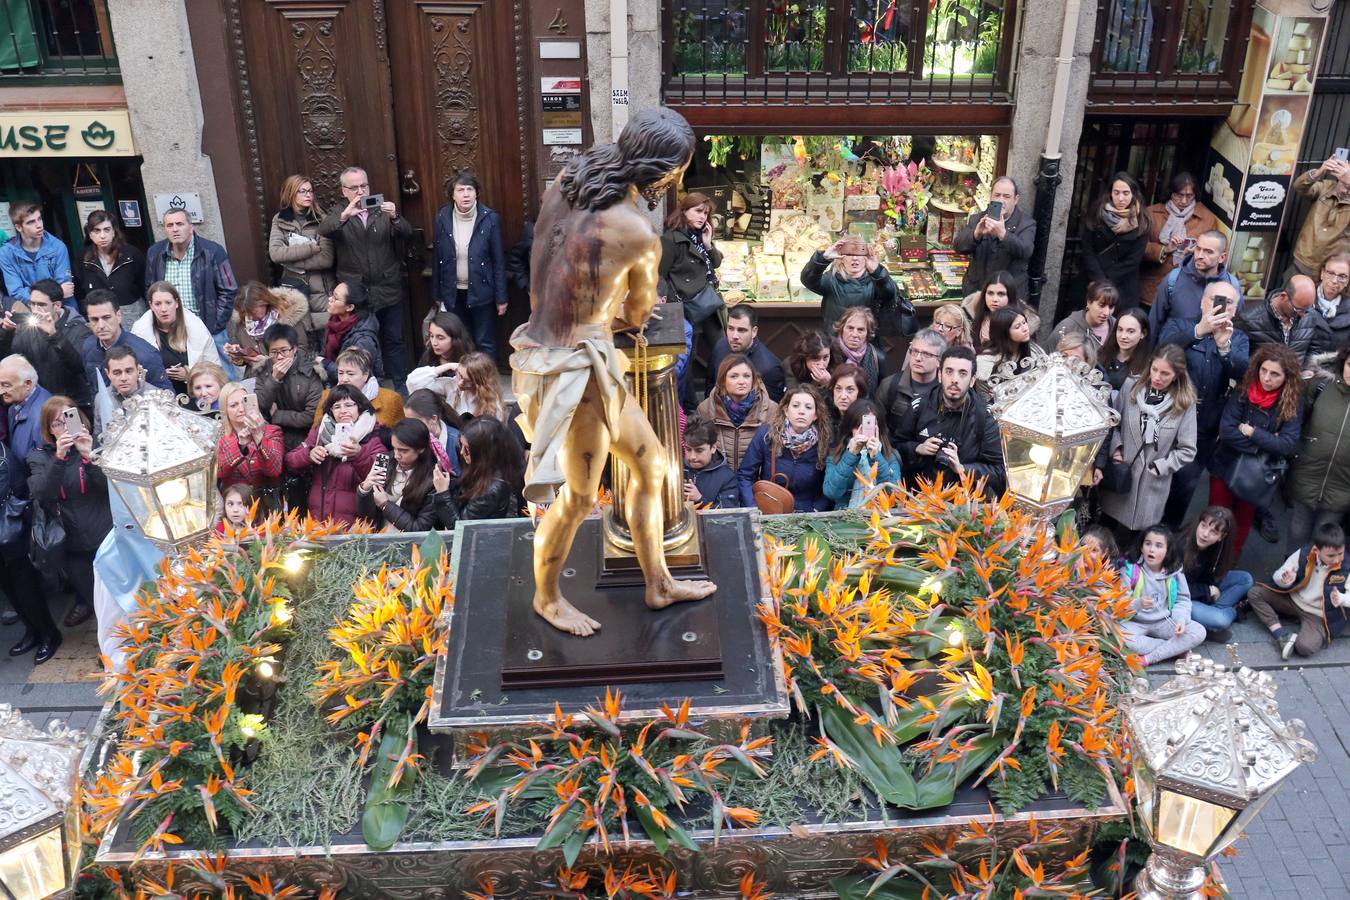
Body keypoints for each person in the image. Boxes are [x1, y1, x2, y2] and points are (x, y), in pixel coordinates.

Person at [508, 107, 716, 636]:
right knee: (579, 498)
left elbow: (542, 259)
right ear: (666, 173)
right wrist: (607, 310)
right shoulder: (639, 232)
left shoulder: (568, 179)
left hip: (549, 344)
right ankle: (547, 598)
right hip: (576, 371)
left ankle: (658, 582)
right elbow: (639, 314)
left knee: (651, 467)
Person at [1158, 280, 1249, 528]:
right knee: (1154, 479)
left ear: (1235, 310)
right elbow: (1163, 350)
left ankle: (1168, 533)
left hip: (1203, 428)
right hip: (1168, 418)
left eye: (1228, 302)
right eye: (1215, 299)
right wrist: (1198, 330)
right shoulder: (1182, 325)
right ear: (1202, 302)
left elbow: (1243, 373)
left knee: (1184, 486)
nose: (1221, 305)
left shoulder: (1238, 338)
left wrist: (1224, 346)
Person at [318, 166, 414, 385]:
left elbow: (406, 233)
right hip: (356, 294)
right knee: (360, 343)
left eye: (364, 186)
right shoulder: (338, 212)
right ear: (344, 191)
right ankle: (370, 386)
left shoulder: (380, 209)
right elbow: (324, 229)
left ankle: (400, 384)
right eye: (354, 188)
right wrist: (345, 216)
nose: (361, 191)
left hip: (387, 287)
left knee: (394, 339)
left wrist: (395, 217)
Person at [1097, 344, 1197, 550]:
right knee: (1104, 536)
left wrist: (1163, 466)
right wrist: (1116, 448)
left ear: (1177, 375)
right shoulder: (1131, 387)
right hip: (1122, 476)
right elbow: (1112, 422)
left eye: (1165, 373)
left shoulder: (1184, 403)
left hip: (1150, 487)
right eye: (1154, 370)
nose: (1158, 377)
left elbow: (1188, 450)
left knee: (1131, 546)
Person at [1209, 343, 1304, 556]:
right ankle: (1206, 559)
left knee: (1241, 523)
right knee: (1215, 518)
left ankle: (1227, 565)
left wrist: (1253, 433)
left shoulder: (1292, 401)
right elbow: (1227, 431)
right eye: (1263, 370)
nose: (1267, 378)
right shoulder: (1245, 387)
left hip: (1257, 475)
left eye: (1275, 374)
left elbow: (1288, 445)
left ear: (1287, 377)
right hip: (1226, 463)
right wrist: (1267, 443)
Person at [26, 397, 110, 628]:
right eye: (56, 423)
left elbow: (108, 489)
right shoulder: (39, 458)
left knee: (120, 599)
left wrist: (89, 456)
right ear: (49, 430)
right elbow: (43, 495)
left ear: (80, 420)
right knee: (97, 604)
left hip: (106, 539)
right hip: (73, 548)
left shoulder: (95, 447)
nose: (64, 427)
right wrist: (59, 458)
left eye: (68, 419)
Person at [894, 345, 1005, 493]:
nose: (954, 380)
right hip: (920, 499)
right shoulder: (919, 406)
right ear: (939, 375)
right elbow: (895, 448)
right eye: (949, 371)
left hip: (964, 504)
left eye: (962, 373)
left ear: (972, 380)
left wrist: (962, 468)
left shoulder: (985, 418)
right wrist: (917, 449)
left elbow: (1000, 471)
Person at [144, 208, 239, 368]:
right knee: (182, 374)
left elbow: (228, 290)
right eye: (170, 225)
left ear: (191, 226)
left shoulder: (212, 251)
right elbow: (150, 288)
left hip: (208, 324)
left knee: (221, 373)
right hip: (171, 328)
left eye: (180, 224)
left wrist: (216, 325)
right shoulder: (155, 253)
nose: (175, 229)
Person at [284, 383, 387, 526]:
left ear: (360, 407)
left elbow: (381, 478)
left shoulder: (374, 436)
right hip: (317, 520)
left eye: (349, 405)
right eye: (337, 407)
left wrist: (359, 455)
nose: (343, 411)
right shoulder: (320, 432)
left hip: (353, 526)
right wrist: (309, 455)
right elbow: (290, 461)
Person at [432, 172, 508, 360]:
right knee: (459, 340)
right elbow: (437, 257)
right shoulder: (442, 216)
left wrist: (501, 297)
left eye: (470, 189)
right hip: (453, 292)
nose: (465, 194)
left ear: (476, 194)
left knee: (484, 340)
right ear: (453, 195)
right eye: (460, 190)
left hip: (482, 291)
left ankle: (487, 384)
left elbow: (498, 260)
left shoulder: (490, 218)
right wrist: (437, 294)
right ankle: (463, 384)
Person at [1247, 522, 1349, 659]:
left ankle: (1301, 628)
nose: (1336, 559)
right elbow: (1279, 574)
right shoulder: (1304, 553)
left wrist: (1341, 599)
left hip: (1318, 614)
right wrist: (1284, 580)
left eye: (1340, 553)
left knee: (1305, 647)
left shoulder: (1347, 567)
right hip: (1293, 600)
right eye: (1331, 556)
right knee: (1255, 593)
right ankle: (1281, 635)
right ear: (1317, 550)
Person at [0, 430, 59, 663]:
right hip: (6, 533)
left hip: (11, 533)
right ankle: (32, 631)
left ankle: (48, 634)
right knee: (9, 588)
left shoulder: (3, 459)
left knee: (25, 588)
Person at [1288, 345, 1350, 549]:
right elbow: (1295, 420)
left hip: (1343, 485)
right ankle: (1289, 573)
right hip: (1307, 472)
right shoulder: (1322, 383)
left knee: (1324, 538)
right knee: (1298, 529)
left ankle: (1313, 578)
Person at [1118, 526, 1205, 666]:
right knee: (1122, 638)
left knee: (1199, 631)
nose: (1151, 549)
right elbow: (1119, 604)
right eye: (1148, 544)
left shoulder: (1175, 570)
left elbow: (1183, 599)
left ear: (1167, 552)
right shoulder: (1130, 569)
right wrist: (1138, 603)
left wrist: (1181, 619)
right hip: (1135, 622)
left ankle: (1148, 659)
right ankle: (1177, 649)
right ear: (1141, 547)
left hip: (1165, 621)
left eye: (1159, 546)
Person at [737, 384, 833, 512]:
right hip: (770, 510)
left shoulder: (825, 441)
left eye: (808, 407)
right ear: (786, 410)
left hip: (807, 514)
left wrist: (816, 509)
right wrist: (753, 509)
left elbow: (831, 484)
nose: (801, 411)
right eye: (795, 405)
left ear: (816, 414)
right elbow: (746, 475)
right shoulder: (767, 435)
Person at [1, 279, 92, 412]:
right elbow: (10, 358)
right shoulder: (26, 328)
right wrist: (6, 333)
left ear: (57, 306)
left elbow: (78, 366)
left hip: (71, 405)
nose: (36, 310)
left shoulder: (78, 329)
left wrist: (54, 335)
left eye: (42, 305)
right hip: (38, 407)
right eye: (32, 304)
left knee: (74, 433)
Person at [267, 174, 336, 346]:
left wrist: (289, 259)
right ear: (291, 193)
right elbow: (276, 254)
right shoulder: (280, 220)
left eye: (310, 191)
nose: (308, 195)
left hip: (322, 290)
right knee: (300, 342)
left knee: (327, 341)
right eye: (302, 191)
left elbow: (326, 259)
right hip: (294, 291)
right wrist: (310, 249)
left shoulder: (322, 219)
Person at [131, 281, 223, 398]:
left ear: (177, 303)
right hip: (157, 397)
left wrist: (189, 374)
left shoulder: (197, 329)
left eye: (168, 303)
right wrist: (159, 374)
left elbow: (215, 369)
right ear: (151, 306)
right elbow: (135, 371)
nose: (163, 309)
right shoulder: (140, 331)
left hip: (195, 396)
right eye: (158, 304)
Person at [800, 237, 910, 334]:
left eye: (859, 254)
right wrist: (824, 258)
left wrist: (877, 272)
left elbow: (890, 294)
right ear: (842, 258)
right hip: (835, 342)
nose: (855, 258)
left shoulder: (874, 280)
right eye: (849, 254)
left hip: (866, 342)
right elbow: (807, 279)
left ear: (865, 257)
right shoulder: (831, 280)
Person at [1141, 172, 1220, 306]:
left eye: (1189, 196)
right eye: (1178, 195)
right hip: (1151, 287)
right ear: (1170, 193)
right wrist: (1164, 249)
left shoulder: (1208, 219)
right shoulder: (1151, 213)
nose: (1183, 201)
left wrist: (1197, 253)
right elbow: (1137, 247)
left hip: (1188, 288)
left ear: (1195, 195)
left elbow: (1216, 254)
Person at [953, 176, 1036, 297]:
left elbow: (1025, 250)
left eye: (1006, 196)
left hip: (1008, 296)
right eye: (997, 195)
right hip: (977, 292)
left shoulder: (1026, 224)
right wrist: (976, 235)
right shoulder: (977, 218)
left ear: (1016, 199)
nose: (1001, 200)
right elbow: (958, 246)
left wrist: (1003, 234)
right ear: (990, 196)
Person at [1178, 506, 1252, 642]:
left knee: (1245, 579)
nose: (1205, 534)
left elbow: (1211, 576)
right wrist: (1208, 591)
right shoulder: (1181, 546)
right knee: (1221, 620)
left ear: (1221, 537)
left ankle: (1213, 612)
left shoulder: (1217, 548)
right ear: (1198, 523)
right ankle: (1233, 610)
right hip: (1181, 599)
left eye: (1213, 532)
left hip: (1203, 586)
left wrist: (1210, 589)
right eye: (1203, 526)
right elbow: (1175, 589)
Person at [1148, 229, 1242, 337]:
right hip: (1176, 350)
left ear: (1222, 257)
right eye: (1198, 249)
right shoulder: (1173, 279)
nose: (1200, 255)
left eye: (1208, 251)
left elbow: (1237, 330)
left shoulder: (1232, 286)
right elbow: (1154, 323)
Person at [433, 415, 523, 525]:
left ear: (482, 453)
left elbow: (461, 527)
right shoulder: (485, 469)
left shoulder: (493, 488)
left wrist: (442, 493)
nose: (461, 452)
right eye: (461, 445)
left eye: (466, 449)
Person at [1079, 172, 1150, 308]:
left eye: (1125, 193)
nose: (1121, 198)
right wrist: (1098, 279)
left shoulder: (1142, 221)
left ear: (1133, 194)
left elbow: (1133, 260)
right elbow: (1088, 248)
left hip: (1123, 286)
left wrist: (1106, 282)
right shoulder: (1097, 212)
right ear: (1110, 193)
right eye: (1116, 192)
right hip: (1092, 278)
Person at [694, 353, 775, 473]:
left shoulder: (771, 409)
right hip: (719, 480)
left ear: (753, 380)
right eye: (734, 376)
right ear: (722, 380)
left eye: (747, 376)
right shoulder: (705, 409)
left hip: (756, 483)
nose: (741, 381)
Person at [358, 418, 439, 532]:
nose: (396, 455)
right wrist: (364, 490)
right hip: (379, 540)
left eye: (403, 451)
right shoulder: (384, 459)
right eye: (394, 448)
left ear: (421, 449)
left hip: (411, 546)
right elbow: (366, 517)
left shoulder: (435, 478)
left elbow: (419, 529)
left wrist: (386, 505)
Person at [81, 291, 171, 393]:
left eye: (106, 318)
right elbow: (94, 389)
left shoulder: (146, 355)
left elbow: (166, 397)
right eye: (94, 319)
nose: (101, 325)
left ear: (118, 316)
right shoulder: (88, 347)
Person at [1235, 273, 1329, 369]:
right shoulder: (1248, 319)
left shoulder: (1310, 315)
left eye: (1308, 308)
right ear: (1283, 296)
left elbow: (1315, 349)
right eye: (1298, 309)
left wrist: (1307, 369)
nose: (1303, 314)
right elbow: (1238, 361)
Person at [256, 323, 323, 453]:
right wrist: (274, 379)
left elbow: (312, 416)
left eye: (284, 351)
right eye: (274, 352)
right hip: (271, 434)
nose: (280, 356)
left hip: (303, 436)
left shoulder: (311, 372)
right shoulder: (263, 370)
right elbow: (260, 406)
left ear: (294, 349)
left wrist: (277, 415)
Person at [824, 398, 902, 508]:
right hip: (846, 519)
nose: (864, 431)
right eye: (858, 426)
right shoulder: (837, 455)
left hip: (881, 518)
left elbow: (896, 495)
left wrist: (876, 457)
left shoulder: (889, 455)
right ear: (850, 427)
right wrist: (851, 455)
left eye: (869, 426)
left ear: (879, 428)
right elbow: (831, 493)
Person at [224, 281, 310, 380]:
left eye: (253, 312)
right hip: (254, 377)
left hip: (287, 378)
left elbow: (301, 352)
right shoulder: (243, 320)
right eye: (246, 313)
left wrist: (266, 362)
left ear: (265, 303)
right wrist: (237, 353)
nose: (250, 317)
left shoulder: (287, 316)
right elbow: (244, 357)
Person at [216, 382, 285, 502]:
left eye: (244, 402)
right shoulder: (218, 437)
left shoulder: (271, 431)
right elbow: (218, 472)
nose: (241, 409)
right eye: (234, 405)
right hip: (234, 504)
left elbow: (274, 470)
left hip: (266, 502)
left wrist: (258, 436)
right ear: (224, 410)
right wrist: (240, 446)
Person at [876, 328, 946, 445]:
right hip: (895, 454)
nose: (918, 358)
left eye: (926, 354)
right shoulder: (890, 385)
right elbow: (879, 428)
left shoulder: (945, 390)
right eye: (914, 351)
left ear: (939, 361)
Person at [312, 347, 404, 432]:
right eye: (340, 373)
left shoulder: (391, 399)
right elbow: (315, 435)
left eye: (350, 374)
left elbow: (403, 441)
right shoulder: (327, 396)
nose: (344, 379)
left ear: (365, 375)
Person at [76, 210, 147, 320]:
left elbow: (145, 286)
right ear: (90, 234)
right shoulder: (83, 258)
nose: (102, 235)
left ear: (114, 232)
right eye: (97, 231)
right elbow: (80, 293)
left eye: (107, 230)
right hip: (100, 318)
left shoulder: (131, 254)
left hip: (132, 315)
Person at [0, 202, 74, 308]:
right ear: (19, 227)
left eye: (39, 219)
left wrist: (60, 291)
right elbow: (16, 291)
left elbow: (66, 288)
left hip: (60, 307)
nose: (39, 225)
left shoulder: (58, 247)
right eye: (31, 222)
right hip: (29, 310)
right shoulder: (6, 253)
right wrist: (57, 291)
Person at [1288, 154, 1350, 278]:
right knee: (1291, 294)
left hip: (1333, 271)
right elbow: (1299, 187)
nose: (1346, 191)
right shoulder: (1326, 187)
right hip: (1303, 261)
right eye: (1344, 185)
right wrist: (1319, 172)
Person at [707, 304, 785, 401]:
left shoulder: (769, 368)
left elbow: (772, 409)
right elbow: (710, 385)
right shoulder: (721, 346)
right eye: (730, 328)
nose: (734, 336)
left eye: (741, 330)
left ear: (754, 332)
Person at [320, 279, 382, 383]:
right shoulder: (335, 321)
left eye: (335, 298)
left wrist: (325, 363)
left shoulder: (363, 339)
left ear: (349, 307)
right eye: (332, 295)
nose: (330, 299)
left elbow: (354, 376)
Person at [963, 271, 1040, 351]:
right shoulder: (972, 317)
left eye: (1001, 294)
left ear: (1010, 296)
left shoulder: (1023, 325)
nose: (995, 299)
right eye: (990, 293)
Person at [975, 306, 1042, 393]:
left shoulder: (1034, 351)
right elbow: (984, 398)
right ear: (1004, 333)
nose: (1025, 328)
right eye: (1017, 327)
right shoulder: (986, 362)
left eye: (1024, 322)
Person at [0, 354, 51, 464]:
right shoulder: (16, 402)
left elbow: (44, 469)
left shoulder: (41, 418)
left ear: (28, 384)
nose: (1, 391)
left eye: (6, 385)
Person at [93, 346, 155, 435]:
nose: (123, 378)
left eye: (129, 371)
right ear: (108, 374)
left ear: (138, 370)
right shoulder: (102, 397)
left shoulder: (155, 396)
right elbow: (99, 436)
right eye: (117, 373)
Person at [680, 416, 739, 508]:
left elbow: (727, 516)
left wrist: (699, 499)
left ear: (713, 448)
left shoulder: (727, 478)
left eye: (699, 450)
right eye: (688, 449)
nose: (692, 457)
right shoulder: (675, 470)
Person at [404, 388, 463, 475]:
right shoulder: (413, 437)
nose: (410, 427)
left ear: (433, 419)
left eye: (415, 422)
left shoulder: (457, 442)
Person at [1047, 280, 1117, 350]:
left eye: (1111, 307)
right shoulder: (1067, 328)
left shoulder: (1117, 326)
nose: (1106, 313)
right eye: (1101, 305)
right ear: (1089, 302)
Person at [829, 306, 885, 392]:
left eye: (860, 330)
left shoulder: (877, 357)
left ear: (867, 333)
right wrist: (827, 382)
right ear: (842, 329)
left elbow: (881, 395)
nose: (855, 334)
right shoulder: (830, 353)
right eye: (850, 328)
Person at [1099, 308, 1151, 395]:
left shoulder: (1146, 368)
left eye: (1130, 331)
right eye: (1120, 329)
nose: (1123, 336)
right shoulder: (1103, 352)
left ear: (1143, 333)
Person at [1313, 252, 1350, 346]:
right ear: (1322, 273)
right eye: (1330, 273)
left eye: (1342, 276)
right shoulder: (1304, 297)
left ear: (1347, 281)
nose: (1334, 281)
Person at [826, 363, 867, 436]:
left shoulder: (866, 421)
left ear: (860, 393)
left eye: (850, 390)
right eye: (838, 389)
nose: (843, 396)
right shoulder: (824, 417)